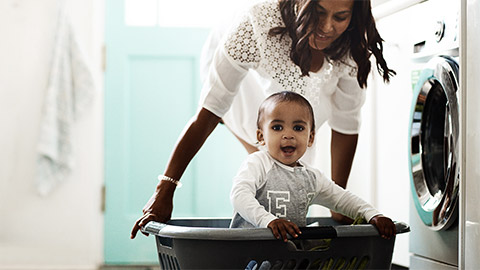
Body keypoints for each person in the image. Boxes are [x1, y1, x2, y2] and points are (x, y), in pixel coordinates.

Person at [131, 0, 395, 239]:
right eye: (318, 12)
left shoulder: (350, 42)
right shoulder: (255, 25)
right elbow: (209, 113)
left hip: (299, 105)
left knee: (295, 174)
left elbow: (346, 124)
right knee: (268, 165)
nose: (327, 26)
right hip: (246, 89)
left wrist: (345, 209)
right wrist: (165, 189)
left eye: (340, 17)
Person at [229, 91, 396, 241]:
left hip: (287, 258)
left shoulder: (311, 178)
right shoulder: (257, 163)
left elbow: (342, 199)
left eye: (298, 128)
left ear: (310, 138)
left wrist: (373, 214)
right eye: (277, 127)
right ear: (261, 136)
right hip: (247, 252)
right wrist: (268, 220)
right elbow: (239, 196)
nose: (288, 135)